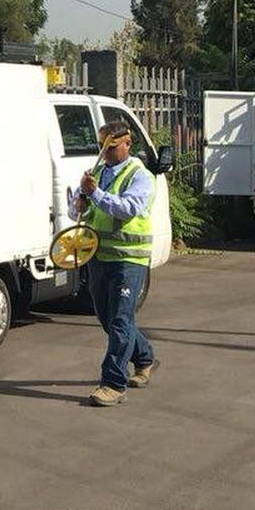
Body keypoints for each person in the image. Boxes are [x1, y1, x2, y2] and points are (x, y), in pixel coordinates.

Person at [73, 121, 158, 408]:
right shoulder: (96, 172)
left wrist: (95, 194)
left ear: (127, 144)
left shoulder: (140, 176)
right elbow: (78, 208)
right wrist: (80, 203)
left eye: (110, 146)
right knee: (107, 319)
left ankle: (113, 384)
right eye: (101, 146)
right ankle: (145, 357)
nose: (105, 152)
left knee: (121, 321)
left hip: (129, 259)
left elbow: (128, 208)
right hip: (99, 257)